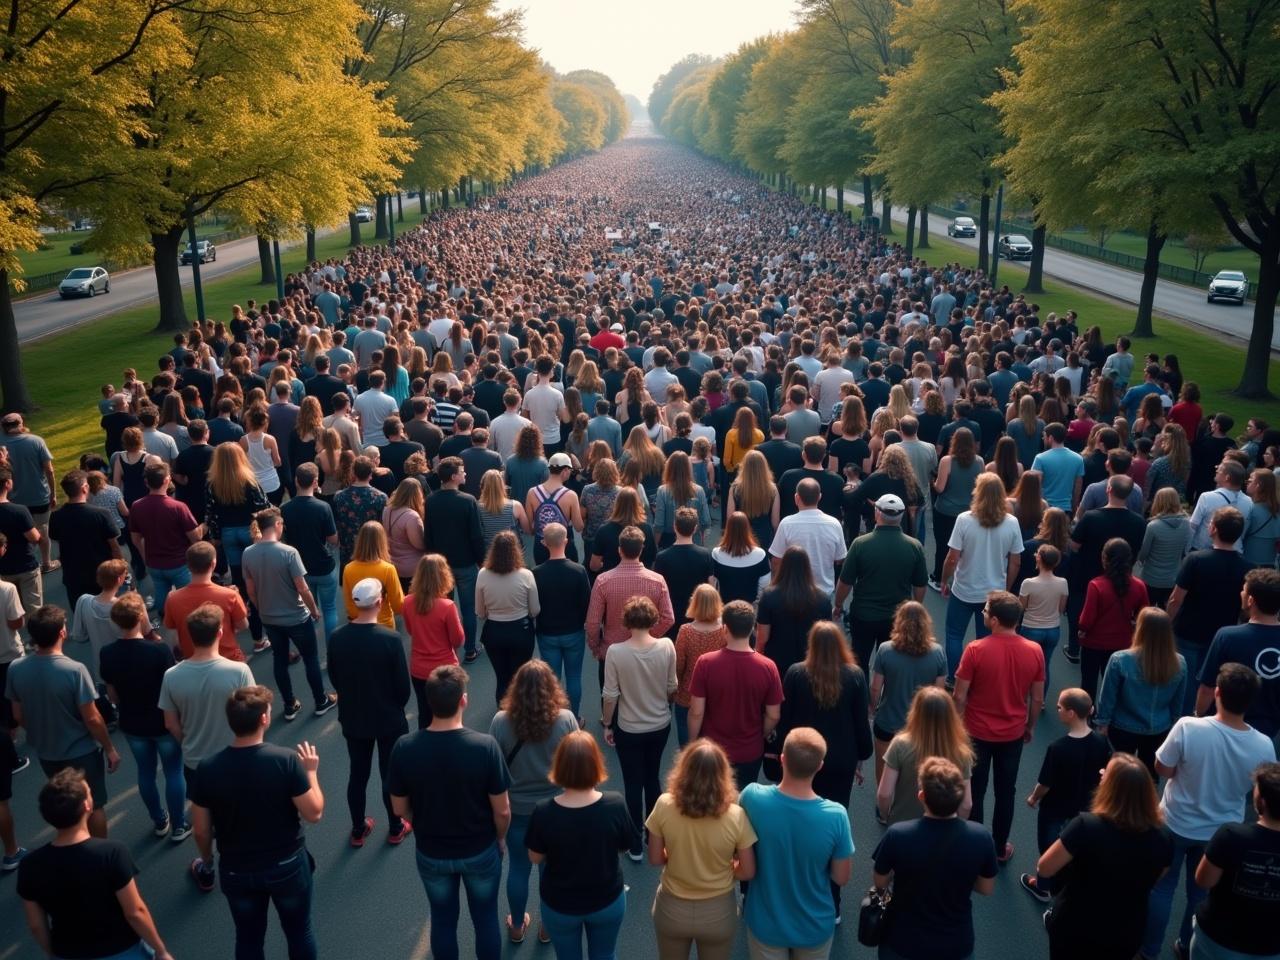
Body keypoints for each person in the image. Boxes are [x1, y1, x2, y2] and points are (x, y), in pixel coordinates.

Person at [1142, 664, 1278, 960]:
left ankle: (1148, 951)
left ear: (1217, 692)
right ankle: (1185, 946)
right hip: (1220, 832)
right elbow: (1260, 786)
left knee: (1161, 888)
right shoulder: (1264, 744)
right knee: (1200, 893)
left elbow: (1162, 767)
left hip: (1174, 821)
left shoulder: (1188, 727)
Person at [188, 686, 325, 960]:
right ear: (264, 719)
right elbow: (314, 813)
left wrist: (207, 861)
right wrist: (310, 772)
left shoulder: (207, 769)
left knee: (249, 939)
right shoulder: (284, 760)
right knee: (299, 932)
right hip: (286, 865)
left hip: (237, 871)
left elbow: (201, 830)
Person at [388, 665, 512, 960]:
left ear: (429, 702)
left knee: (442, 920)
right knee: (485, 919)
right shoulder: (485, 747)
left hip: (432, 851)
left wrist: (420, 823)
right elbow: (503, 810)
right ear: (463, 701)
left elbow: (398, 807)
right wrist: (500, 838)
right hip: (480, 849)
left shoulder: (405, 748)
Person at [18, 768, 174, 960]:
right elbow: (135, 911)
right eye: (89, 792)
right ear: (86, 805)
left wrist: (54, 953)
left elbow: (35, 925)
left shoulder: (30, 866)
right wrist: (160, 950)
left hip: (68, 952)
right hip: (122, 950)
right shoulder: (112, 853)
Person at [1036, 754, 1173, 960]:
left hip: (1076, 925)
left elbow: (1045, 868)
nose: (1101, 774)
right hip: (1126, 931)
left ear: (1112, 788)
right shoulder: (1163, 839)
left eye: (1105, 773)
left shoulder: (1085, 826)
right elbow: (1157, 877)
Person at [739, 727, 854, 960]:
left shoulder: (752, 797)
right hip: (814, 925)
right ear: (819, 766)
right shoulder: (836, 816)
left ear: (782, 759)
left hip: (765, 922)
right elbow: (841, 877)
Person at [6, 605, 120, 839]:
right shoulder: (75, 670)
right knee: (94, 805)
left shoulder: (16, 669)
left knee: (67, 806)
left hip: (48, 754)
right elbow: (92, 717)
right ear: (62, 633)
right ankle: (98, 850)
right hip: (82, 752)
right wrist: (109, 748)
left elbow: (17, 716)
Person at [872, 757, 998, 960]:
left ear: (921, 796)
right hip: (956, 945)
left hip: (901, 942)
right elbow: (986, 888)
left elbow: (880, 882)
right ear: (960, 797)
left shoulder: (898, 835)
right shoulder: (981, 837)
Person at [525, 731, 637, 960]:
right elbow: (626, 845)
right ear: (596, 763)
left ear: (560, 766)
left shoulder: (544, 811)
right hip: (607, 899)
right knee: (605, 954)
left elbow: (535, 858)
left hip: (560, 904)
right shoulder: (615, 804)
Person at [953, 590, 1046, 864]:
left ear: (994, 620)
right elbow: (1037, 697)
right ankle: (998, 847)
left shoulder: (975, 649)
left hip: (976, 731)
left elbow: (959, 695)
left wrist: (957, 726)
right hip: (1013, 734)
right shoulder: (1034, 651)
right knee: (1006, 791)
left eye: (984, 611)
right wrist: (1029, 725)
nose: (982, 614)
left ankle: (974, 843)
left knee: (976, 790)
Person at [488, 660, 577, 943]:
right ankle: (547, 927)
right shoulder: (565, 720)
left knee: (517, 869)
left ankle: (516, 926)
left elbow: (494, 769)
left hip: (517, 812)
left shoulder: (501, 722)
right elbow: (576, 765)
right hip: (556, 810)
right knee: (551, 872)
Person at [645, 740, 757, 960]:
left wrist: (677, 857)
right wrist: (724, 869)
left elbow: (656, 858)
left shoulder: (664, 804)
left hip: (672, 910)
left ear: (683, 769)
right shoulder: (736, 816)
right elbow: (748, 871)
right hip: (718, 913)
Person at [326, 577, 412, 848]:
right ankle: (396, 826)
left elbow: (335, 677)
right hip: (388, 719)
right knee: (389, 774)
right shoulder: (390, 639)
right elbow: (402, 686)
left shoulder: (338, 638)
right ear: (380, 602)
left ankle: (357, 828)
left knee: (358, 774)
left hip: (354, 718)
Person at [99, 594, 189, 842]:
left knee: (145, 773)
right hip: (163, 721)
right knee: (174, 771)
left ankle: (159, 820)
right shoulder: (159, 650)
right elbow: (172, 686)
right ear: (142, 617)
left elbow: (113, 696)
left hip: (132, 723)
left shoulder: (107, 653)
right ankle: (180, 824)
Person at [240, 508, 336, 722]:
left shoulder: (248, 553)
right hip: (297, 617)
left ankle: (290, 704)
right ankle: (321, 701)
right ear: (276, 525)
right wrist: (314, 609)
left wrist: (261, 607)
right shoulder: (289, 552)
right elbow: (302, 588)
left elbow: (251, 590)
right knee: (310, 658)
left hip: (269, 618)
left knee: (280, 660)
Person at [1018, 688, 1113, 904]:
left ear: (1071, 713)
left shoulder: (1058, 748)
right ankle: (1071, 887)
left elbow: (1045, 783)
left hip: (1055, 809)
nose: (1057, 709)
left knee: (1050, 846)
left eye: (1060, 707)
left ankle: (1043, 887)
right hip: (1087, 808)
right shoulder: (1101, 741)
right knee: (1078, 847)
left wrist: (1034, 797)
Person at [601, 595, 677, 860]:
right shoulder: (667, 645)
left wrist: (607, 724)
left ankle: (634, 843)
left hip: (629, 727)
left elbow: (610, 694)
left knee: (632, 783)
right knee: (652, 778)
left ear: (627, 621)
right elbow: (672, 687)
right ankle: (654, 836)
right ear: (653, 619)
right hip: (660, 724)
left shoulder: (616, 652)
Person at [688, 599, 783, 789]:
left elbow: (696, 712)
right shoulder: (768, 667)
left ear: (725, 629)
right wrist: (759, 733)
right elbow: (774, 714)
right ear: (752, 629)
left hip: (712, 751)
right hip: (750, 751)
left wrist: (692, 742)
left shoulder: (705, 663)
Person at [1190, 761, 1280, 959]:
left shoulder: (1231, 835)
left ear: (1262, 802)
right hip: (1270, 945)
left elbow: (1203, 881)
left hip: (1219, 938)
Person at [940, 474, 1025, 680]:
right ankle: (980, 679)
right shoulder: (1012, 523)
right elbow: (1016, 562)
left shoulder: (964, 520)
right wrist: (1005, 588)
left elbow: (952, 557)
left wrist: (944, 580)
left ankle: (954, 677)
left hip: (963, 590)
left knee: (954, 635)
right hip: (994, 594)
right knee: (987, 640)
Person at [1168, 507, 1251, 714]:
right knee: (1215, 682)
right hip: (1222, 634)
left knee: (1185, 684)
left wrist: (1168, 622)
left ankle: (1183, 722)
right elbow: (1246, 609)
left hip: (1188, 631)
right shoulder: (1247, 568)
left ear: (1213, 528)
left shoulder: (1195, 560)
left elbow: (1176, 598)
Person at [834, 493, 928, 669]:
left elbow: (845, 582)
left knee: (859, 661)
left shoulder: (860, 544)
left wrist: (838, 605)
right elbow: (920, 585)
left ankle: (861, 695)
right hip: (897, 618)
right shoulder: (914, 546)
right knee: (891, 665)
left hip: (863, 616)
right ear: (901, 516)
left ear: (877, 513)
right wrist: (914, 608)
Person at [586, 525, 675, 700]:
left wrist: (596, 646)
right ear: (642, 549)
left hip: (611, 650)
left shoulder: (603, 581)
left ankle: (608, 724)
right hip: (646, 650)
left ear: (620, 550)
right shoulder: (657, 581)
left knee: (611, 698)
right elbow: (668, 618)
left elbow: (593, 622)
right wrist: (651, 635)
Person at [1096, 607, 1188, 778]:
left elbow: (1107, 697)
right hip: (1159, 727)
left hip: (1122, 727)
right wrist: (1174, 723)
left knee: (1119, 776)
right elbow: (1178, 701)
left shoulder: (1120, 659)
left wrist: (1102, 724)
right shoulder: (1180, 662)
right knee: (1149, 777)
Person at [1195, 566, 1280, 744]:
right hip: (1271, 734)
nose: (1241, 593)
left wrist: (1199, 715)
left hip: (1224, 729)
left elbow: (1207, 688)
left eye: (1244, 589)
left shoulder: (1227, 636)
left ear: (1250, 600)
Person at [868, 601, 947, 785]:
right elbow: (939, 692)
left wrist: (873, 708)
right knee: (916, 769)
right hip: (921, 725)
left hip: (888, 721)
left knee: (883, 764)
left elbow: (875, 687)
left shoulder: (885, 650)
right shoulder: (938, 653)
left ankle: (883, 808)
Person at [877, 686, 975, 825]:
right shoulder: (961, 753)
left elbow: (884, 794)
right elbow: (966, 804)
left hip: (903, 824)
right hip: (945, 831)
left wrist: (886, 815)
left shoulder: (899, 745)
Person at [424, 457, 486, 661]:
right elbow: (476, 535)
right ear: (453, 477)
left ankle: (446, 648)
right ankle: (470, 648)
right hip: (466, 563)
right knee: (469, 609)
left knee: (442, 609)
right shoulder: (468, 501)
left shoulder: (431, 501)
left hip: (441, 565)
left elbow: (429, 534)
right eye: (462, 471)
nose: (465, 474)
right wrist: (481, 560)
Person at [531, 522, 591, 721]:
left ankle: (555, 718)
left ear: (543, 543)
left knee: (553, 679)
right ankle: (574, 717)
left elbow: (533, 605)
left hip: (547, 632)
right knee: (574, 676)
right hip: (573, 631)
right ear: (566, 541)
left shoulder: (536, 573)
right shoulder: (579, 571)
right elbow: (586, 603)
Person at [1078, 537, 1149, 703]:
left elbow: (1086, 621)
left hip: (1094, 644)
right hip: (1122, 643)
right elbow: (1144, 615)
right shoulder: (1139, 586)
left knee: (1089, 683)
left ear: (1104, 559)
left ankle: (1087, 716)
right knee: (1116, 685)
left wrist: (1081, 629)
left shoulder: (1096, 585)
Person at [475, 530, 540, 705]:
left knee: (502, 677)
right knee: (520, 676)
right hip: (521, 631)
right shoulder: (526, 575)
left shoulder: (482, 574)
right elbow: (535, 610)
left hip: (494, 632)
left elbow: (480, 612)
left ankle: (502, 712)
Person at [129, 461, 201, 614]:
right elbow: (195, 537)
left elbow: (135, 539)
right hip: (179, 564)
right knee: (189, 602)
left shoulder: (136, 506)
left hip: (154, 564)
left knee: (162, 598)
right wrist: (205, 525)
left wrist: (145, 558)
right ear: (167, 480)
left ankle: (166, 621)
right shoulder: (178, 507)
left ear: (146, 482)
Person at [401, 554, 464, 727]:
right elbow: (457, 639)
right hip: (446, 670)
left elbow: (410, 630)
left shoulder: (407, 602)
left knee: (425, 713)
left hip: (419, 669)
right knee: (451, 714)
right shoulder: (447, 606)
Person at [280, 463, 340, 642]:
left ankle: (310, 645)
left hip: (300, 569)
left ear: (296, 481)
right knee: (329, 609)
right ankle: (331, 651)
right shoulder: (323, 507)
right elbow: (332, 539)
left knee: (308, 610)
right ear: (315, 482)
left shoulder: (285, 509)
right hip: (323, 565)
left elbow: (284, 538)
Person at [163, 541, 250, 661]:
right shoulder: (230, 595)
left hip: (193, 661)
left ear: (188, 565)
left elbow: (175, 636)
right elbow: (243, 625)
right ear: (213, 563)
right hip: (228, 658)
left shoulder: (172, 598)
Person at [48, 469, 120, 609]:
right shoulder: (101, 514)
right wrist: (122, 567)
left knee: (81, 614)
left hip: (73, 576)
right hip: (102, 574)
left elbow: (56, 539)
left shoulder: (56, 516)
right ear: (84, 488)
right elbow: (114, 546)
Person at [757, 547, 833, 677]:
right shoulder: (823, 600)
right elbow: (825, 639)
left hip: (776, 663)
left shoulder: (769, 597)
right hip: (810, 665)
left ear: (784, 566)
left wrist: (759, 655)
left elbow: (762, 638)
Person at [768, 478, 846, 598]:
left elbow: (776, 560)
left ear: (796, 498)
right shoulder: (834, 524)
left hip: (792, 593)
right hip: (824, 593)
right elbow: (840, 559)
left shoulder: (786, 523)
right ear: (819, 497)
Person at [930, 427, 984, 587]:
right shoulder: (979, 461)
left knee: (942, 544)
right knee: (966, 547)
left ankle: (939, 578)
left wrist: (932, 482)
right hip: (969, 511)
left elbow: (940, 488)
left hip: (945, 511)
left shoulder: (947, 461)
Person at [653, 507, 714, 636]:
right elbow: (711, 586)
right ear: (695, 528)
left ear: (674, 526)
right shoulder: (706, 555)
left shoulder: (662, 557)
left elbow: (657, 590)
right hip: (697, 615)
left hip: (671, 616)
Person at [1018, 544, 1068, 692]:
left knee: (1026, 665)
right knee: (1044, 665)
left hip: (1030, 629)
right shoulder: (1063, 583)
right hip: (1053, 630)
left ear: (1039, 559)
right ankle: (1041, 699)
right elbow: (1061, 609)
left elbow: (1021, 608)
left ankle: (1023, 696)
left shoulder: (1028, 583)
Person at [340, 520, 405, 630]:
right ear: (382, 542)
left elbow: (349, 605)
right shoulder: (388, 569)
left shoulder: (348, 569)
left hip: (358, 625)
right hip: (384, 626)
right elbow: (398, 606)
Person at [1138, 487, 1192, 608]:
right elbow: (1185, 550)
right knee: (1165, 610)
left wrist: (1140, 561)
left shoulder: (1153, 526)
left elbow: (1143, 553)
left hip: (1151, 577)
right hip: (1173, 578)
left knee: (1146, 609)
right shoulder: (1186, 524)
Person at [527, 452, 584, 564]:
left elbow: (530, 528)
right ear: (565, 471)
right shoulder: (571, 495)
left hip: (541, 545)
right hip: (563, 547)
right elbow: (578, 526)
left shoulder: (532, 493)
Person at [710, 512, 773, 605]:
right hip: (749, 607)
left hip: (724, 606)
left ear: (728, 529)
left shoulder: (716, 554)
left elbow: (712, 582)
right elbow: (764, 585)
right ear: (747, 529)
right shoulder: (760, 554)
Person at [1031, 422, 1085, 513]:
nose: (1043, 439)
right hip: (1066, 509)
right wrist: (1074, 507)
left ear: (1051, 438)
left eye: (1044, 436)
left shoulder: (1040, 458)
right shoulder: (1078, 459)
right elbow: (1077, 489)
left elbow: (1035, 486)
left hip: (1045, 510)